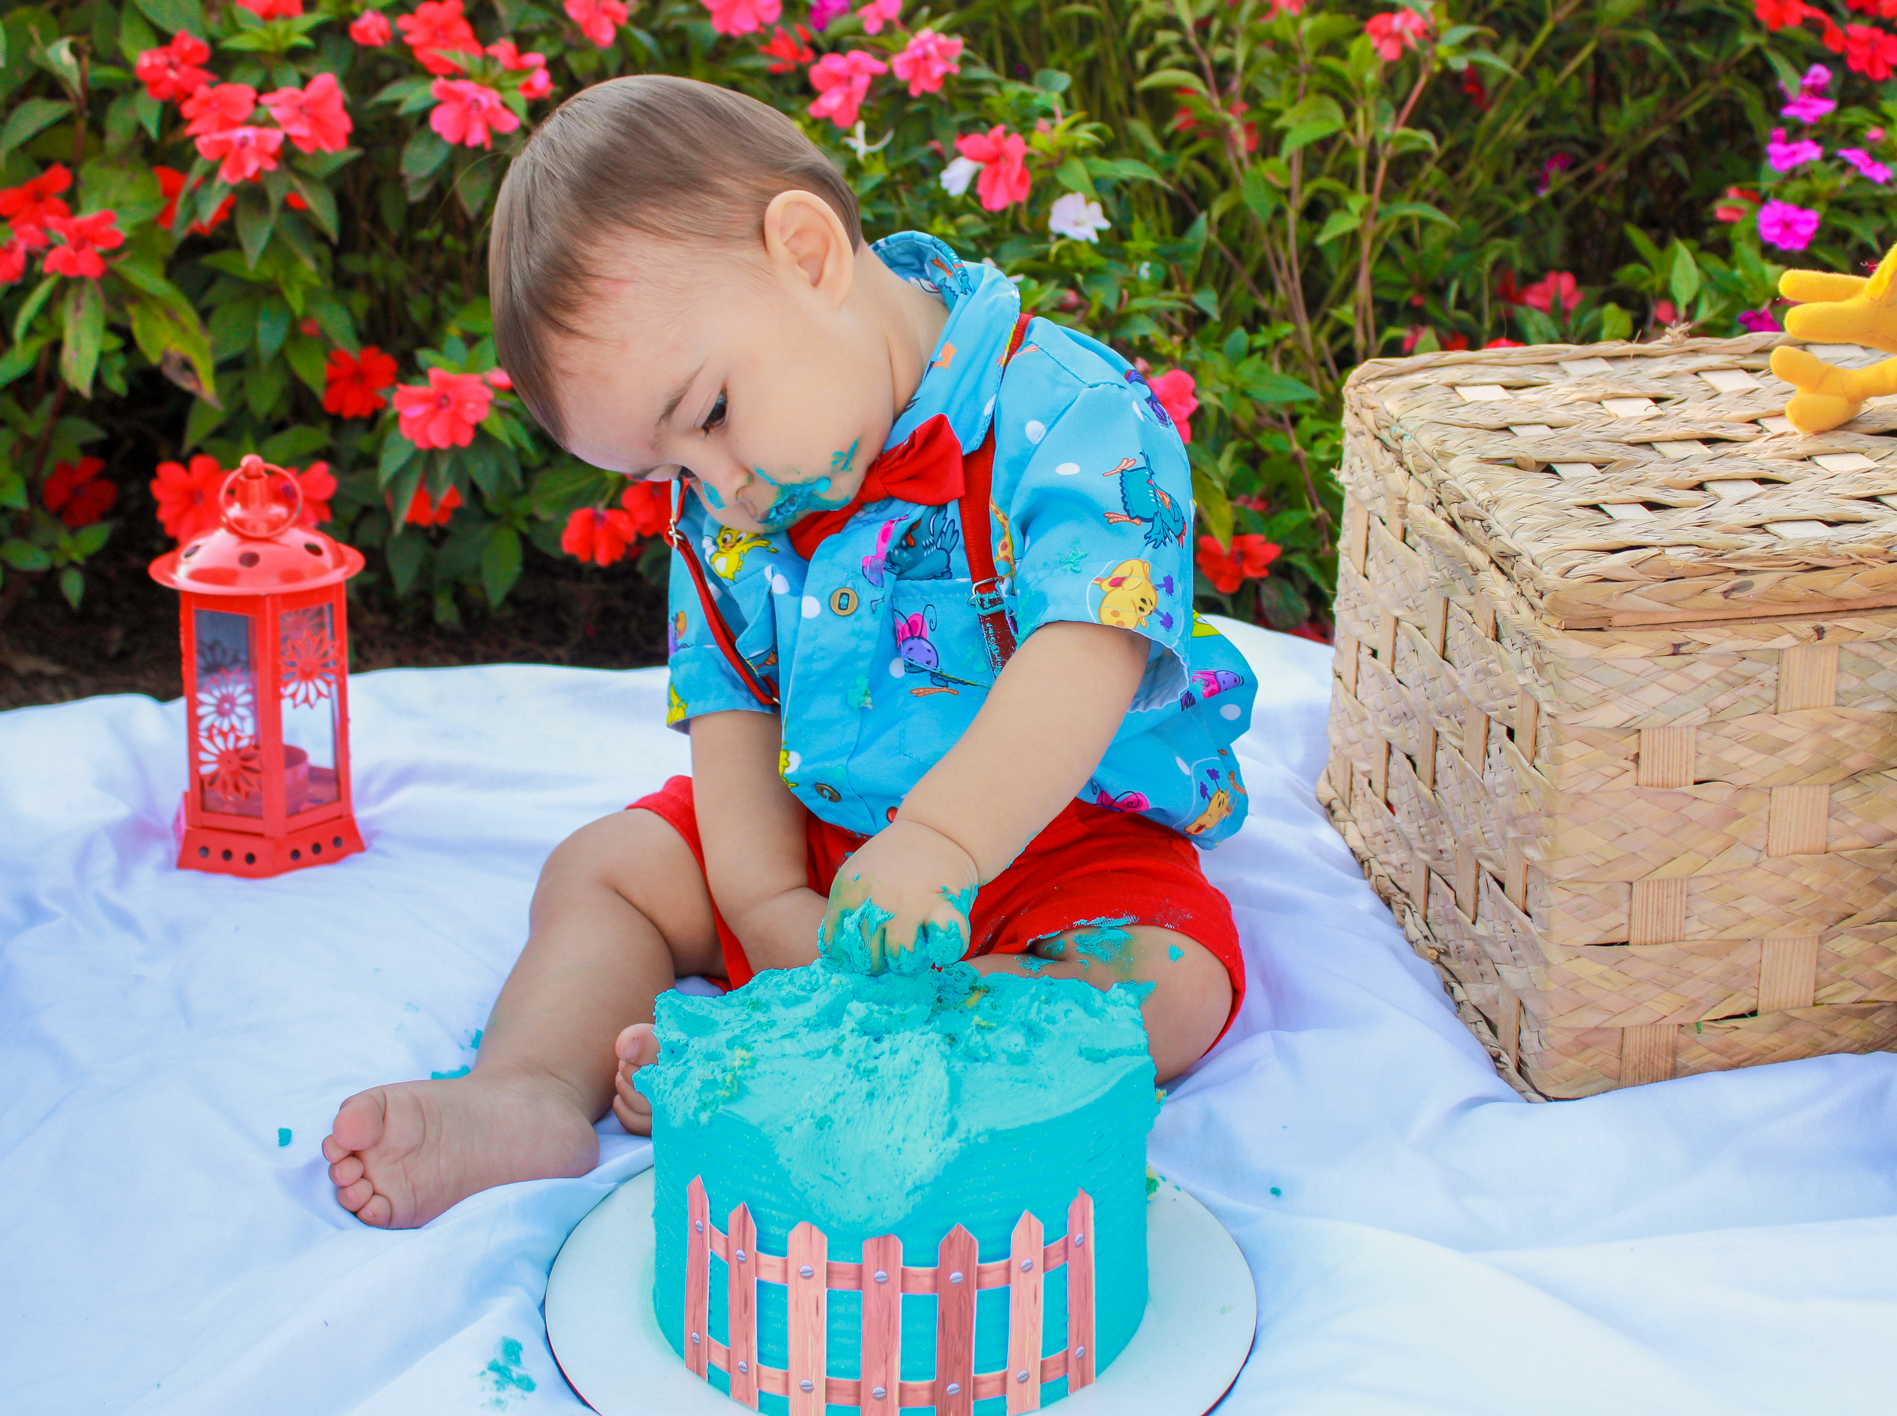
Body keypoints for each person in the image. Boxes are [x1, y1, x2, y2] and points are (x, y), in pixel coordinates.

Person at [321, 75, 1258, 1229]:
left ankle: (813, 1062)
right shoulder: (736, 498)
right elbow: (729, 706)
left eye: (708, 414)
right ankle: (528, 1089)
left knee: (1169, 987)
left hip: (1058, 845)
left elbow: (1087, 653)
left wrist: (942, 843)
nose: (718, 487)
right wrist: (767, 908)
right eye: (669, 471)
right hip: (819, 832)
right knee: (603, 867)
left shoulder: (1074, 417)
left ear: (807, 252)